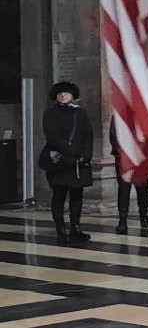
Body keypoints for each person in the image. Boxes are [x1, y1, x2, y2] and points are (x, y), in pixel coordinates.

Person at [39, 81, 94, 244]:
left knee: (77, 196)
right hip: (60, 161)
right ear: (56, 96)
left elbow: (88, 136)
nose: (63, 96)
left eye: (67, 93)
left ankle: (75, 228)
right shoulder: (50, 113)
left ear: (72, 96)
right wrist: (68, 155)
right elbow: (53, 137)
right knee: (59, 195)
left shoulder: (80, 113)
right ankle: (61, 230)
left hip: (78, 162)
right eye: (60, 94)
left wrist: (85, 156)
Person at [109, 126, 148, 235]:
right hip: (124, 156)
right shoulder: (120, 113)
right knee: (124, 188)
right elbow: (114, 133)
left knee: (142, 186)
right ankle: (122, 220)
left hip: (141, 155)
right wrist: (120, 149)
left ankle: (144, 215)